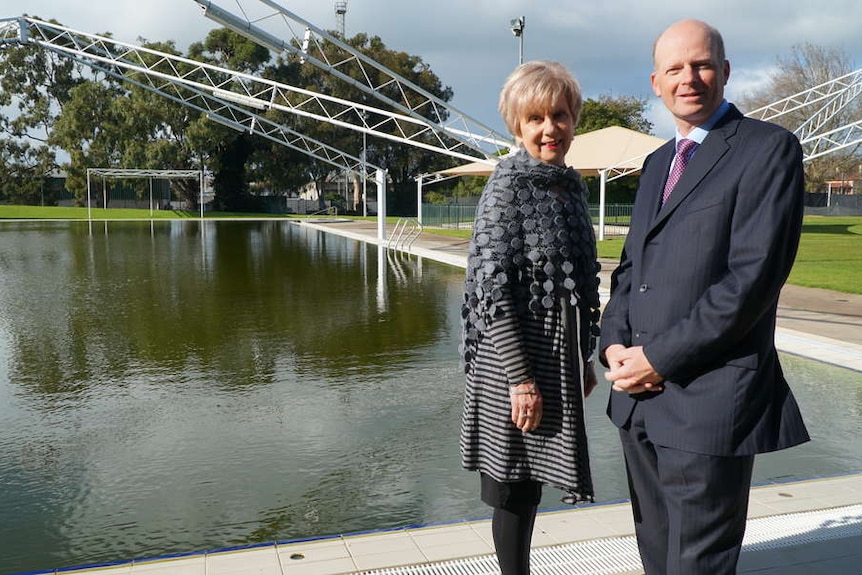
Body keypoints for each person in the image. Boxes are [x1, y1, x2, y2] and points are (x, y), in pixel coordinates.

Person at [600, 19, 810, 575]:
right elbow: (628, 273)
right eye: (674, 69)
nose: (688, 78)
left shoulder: (768, 150)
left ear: (725, 71)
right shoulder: (653, 165)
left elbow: (751, 282)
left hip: (708, 402)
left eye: (701, 64)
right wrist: (614, 347)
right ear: (655, 82)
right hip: (637, 402)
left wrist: (658, 359)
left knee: (698, 566)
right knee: (656, 557)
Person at [459, 60, 601, 575]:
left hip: (555, 358)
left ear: (573, 119)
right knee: (513, 487)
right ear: (517, 126)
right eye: (535, 118)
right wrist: (521, 379)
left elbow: (579, 283)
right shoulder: (508, 188)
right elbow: (491, 293)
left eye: (559, 115)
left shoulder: (569, 187)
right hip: (512, 361)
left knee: (532, 480)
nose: (549, 129)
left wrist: (585, 357)